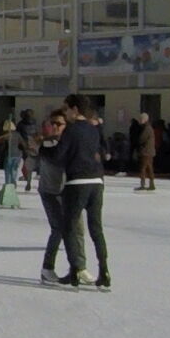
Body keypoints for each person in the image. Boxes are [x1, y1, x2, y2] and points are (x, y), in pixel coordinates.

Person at [52, 94, 110, 290]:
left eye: (67, 109)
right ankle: (104, 271)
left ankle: (76, 269)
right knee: (96, 229)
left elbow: (59, 156)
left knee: (69, 227)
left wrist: (42, 149)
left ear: (75, 109)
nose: (65, 113)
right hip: (97, 182)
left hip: (77, 182)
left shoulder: (71, 129)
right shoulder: (94, 129)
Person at [37, 109, 79, 283]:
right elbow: (56, 160)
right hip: (50, 191)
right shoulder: (49, 143)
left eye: (59, 124)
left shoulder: (67, 142)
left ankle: (78, 267)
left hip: (65, 190)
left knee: (72, 229)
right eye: (52, 123)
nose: (55, 127)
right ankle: (47, 268)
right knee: (58, 228)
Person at [135, 112, 157, 191]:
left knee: (143, 168)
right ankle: (151, 184)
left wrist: (137, 141)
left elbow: (142, 139)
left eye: (141, 119)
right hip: (149, 151)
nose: (139, 121)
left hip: (146, 151)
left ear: (144, 119)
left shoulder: (146, 128)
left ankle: (143, 184)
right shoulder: (148, 127)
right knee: (149, 168)